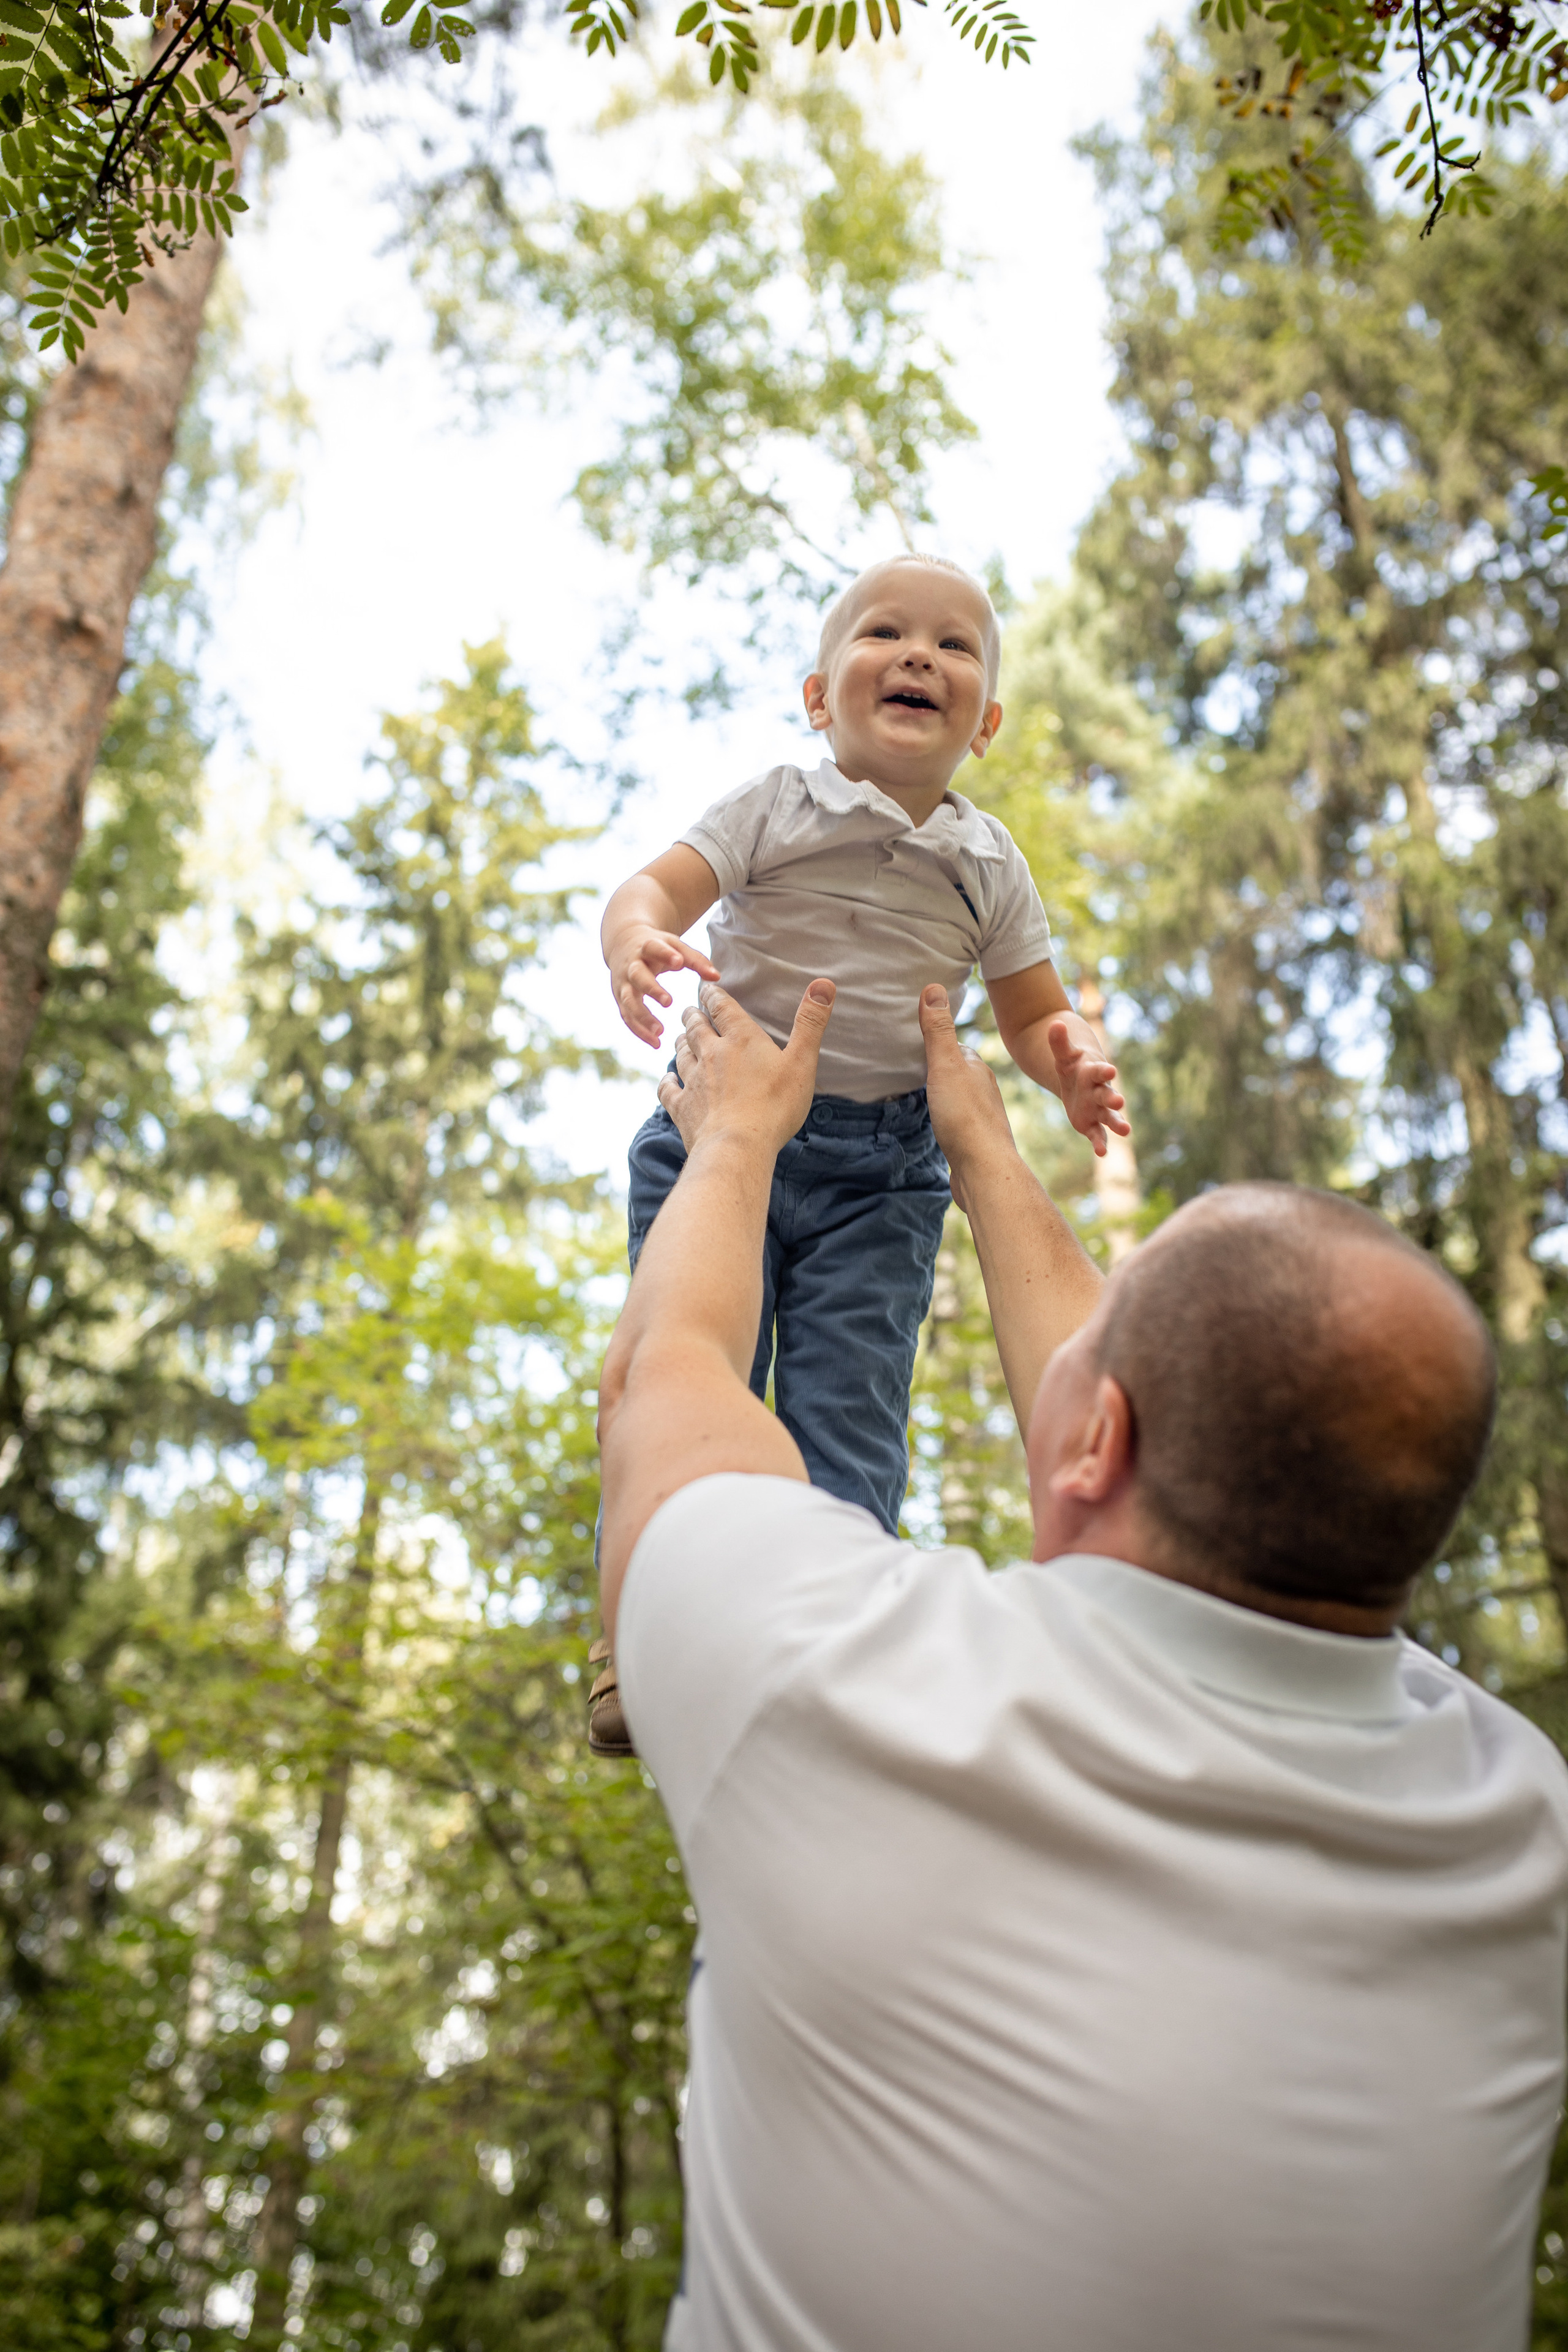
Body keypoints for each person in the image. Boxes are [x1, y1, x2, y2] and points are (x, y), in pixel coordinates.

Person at [595, 973, 1568, 2352]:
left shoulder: (841, 1682)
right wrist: (982, 1149)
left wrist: (739, 1134)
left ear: (1100, 1437)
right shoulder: (1524, 1823)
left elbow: (666, 1379)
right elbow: (1162, 1440)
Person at [587, 553, 1128, 1752]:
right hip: (716, 1133)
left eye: (954, 644)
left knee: (851, 1402)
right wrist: (635, 940)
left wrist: (1073, 1063)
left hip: (881, 1175)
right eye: (884, 633)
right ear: (817, 696)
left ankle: (832, 1639)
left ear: (984, 724)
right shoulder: (774, 804)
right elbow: (652, 887)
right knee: (687, 1366)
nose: (919, 653)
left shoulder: (988, 863)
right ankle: (642, 1627)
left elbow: (1034, 1014)